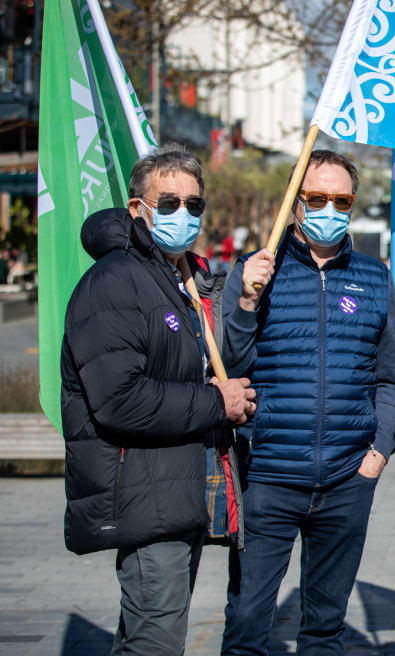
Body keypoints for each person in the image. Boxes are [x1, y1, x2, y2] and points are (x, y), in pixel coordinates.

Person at [61, 143, 255, 656]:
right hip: (145, 494)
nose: (182, 214)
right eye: (167, 202)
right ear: (136, 209)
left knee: (147, 636)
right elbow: (120, 399)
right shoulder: (116, 281)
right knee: (155, 643)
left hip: (174, 489)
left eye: (193, 204)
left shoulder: (179, 278)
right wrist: (217, 402)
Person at [220, 149, 395, 654]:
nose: (329, 209)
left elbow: (390, 376)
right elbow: (231, 367)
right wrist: (247, 302)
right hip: (270, 479)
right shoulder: (255, 271)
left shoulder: (374, 277)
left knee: (325, 627)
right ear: (295, 202)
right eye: (317, 197)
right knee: (248, 622)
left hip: (348, 481)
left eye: (341, 200)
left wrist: (379, 452)